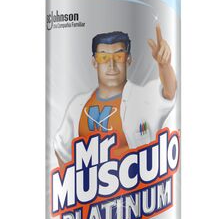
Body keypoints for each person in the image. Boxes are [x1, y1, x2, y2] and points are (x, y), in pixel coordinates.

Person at [54, 25, 178, 167]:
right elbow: (61, 149)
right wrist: (67, 178)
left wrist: (164, 66)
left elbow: (169, 92)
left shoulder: (143, 98)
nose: (111, 65)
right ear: (94, 62)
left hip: (134, 180)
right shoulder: (77, 106)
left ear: (128, 59)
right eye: (104, 57)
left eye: (118, 56)